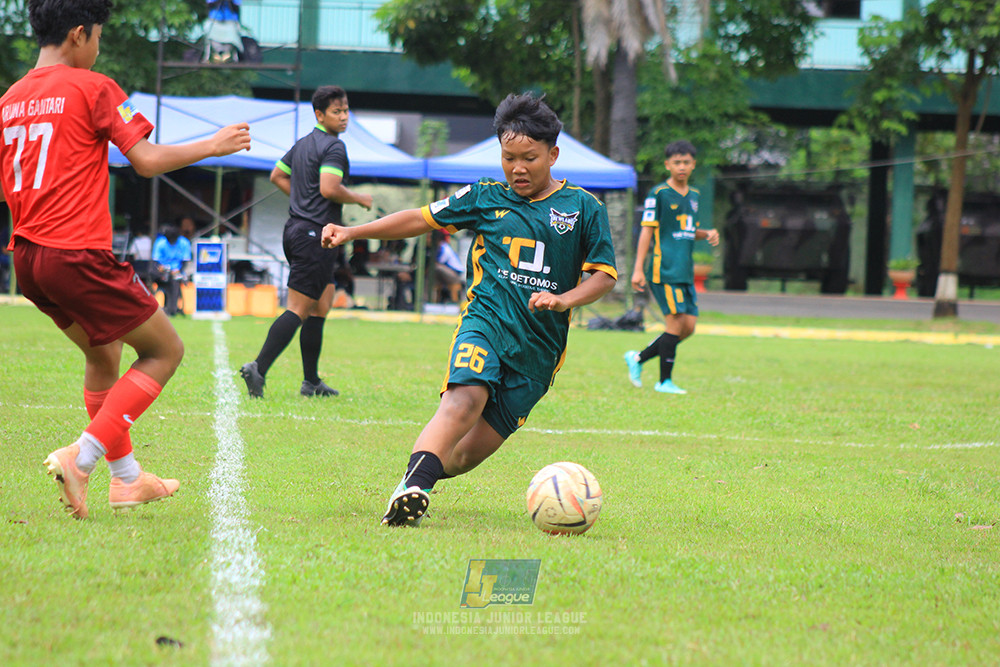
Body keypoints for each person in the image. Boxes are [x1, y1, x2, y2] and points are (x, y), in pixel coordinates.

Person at [0, 0, 251, 519]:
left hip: (27, 259)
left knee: (104, 356)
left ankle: (129, 481)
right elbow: (146, 161)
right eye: (97, 38)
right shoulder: (93, 87)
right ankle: (82, 459)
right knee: (165, 351)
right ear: (78, 34)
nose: (98, 49)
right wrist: (214, 144)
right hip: (75, 254)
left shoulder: (10, 99)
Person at [321, 92, 617, 527]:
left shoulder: (584, 209)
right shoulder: (483, 197)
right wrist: (353, 231)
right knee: (464, 400)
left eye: (530, 158)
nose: (517, 168)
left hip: (538, 354)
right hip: (486, 324)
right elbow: (419, 219)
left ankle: (421, 477)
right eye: (508, 157)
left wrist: (563, 299)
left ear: (553, 154)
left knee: (459, 457)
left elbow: (604, 276)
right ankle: (411, 491)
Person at [239, 85, 373, 399]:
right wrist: (359, 199)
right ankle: (258, 367)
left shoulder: (301, 145)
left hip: (300, 231)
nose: (343, 117)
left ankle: (311, 382)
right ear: (319, 114)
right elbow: (329, 188)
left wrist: (302, 199)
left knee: (321, 305)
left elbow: (277, 176)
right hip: (314, 234)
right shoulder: (334, 147)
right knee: (298, 309)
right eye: (336, 112)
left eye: (346, 110)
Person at [625, 140, 719, 394]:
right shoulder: (659, 194)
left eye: (686, 162)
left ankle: (637, 358)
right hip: (663, 269)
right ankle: (664, 382)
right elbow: (647, 232)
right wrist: (637, 269)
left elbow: (685, 229)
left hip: (685, 271)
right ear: (667, 165)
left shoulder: (695, 196)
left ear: (694, 164)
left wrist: (706, 233)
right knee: (675, 323)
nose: (682, 167)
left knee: (687, 327)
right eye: (676, 162)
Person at [151, 223, 192, 316]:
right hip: (162, 271)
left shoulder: (184, 243)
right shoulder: (160, 243)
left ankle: (171, 309)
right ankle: (153, 307)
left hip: (177, 271)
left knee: (174, 281)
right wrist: (160, 268)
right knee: (154, 275)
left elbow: (185, 261)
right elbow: (155, 261)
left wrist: (178, 270)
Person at [432, 229, 465, 303]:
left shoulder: (444, 247)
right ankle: (436, 299)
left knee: (436, 267)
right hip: (448, 272)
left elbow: (440, 261)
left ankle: (454, 301)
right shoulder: (441, 246)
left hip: (455, 273)